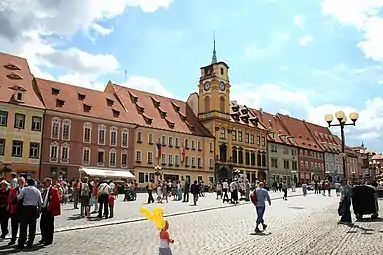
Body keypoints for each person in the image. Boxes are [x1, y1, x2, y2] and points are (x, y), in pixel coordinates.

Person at [17, 179, 42, 249]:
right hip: (34, 209)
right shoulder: (37, 191)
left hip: (25, 209)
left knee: (23, 227)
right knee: (32, 228)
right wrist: (39, 212)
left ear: (27, 183)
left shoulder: (24, 189)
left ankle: (21, 243)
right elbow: (40, 203)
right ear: (34, 183)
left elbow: (19, 198)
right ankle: (30, 242)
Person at [39, 178, 61, 246]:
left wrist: (50, 206)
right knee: (42, 224)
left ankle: (49, 240)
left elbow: (57, 201)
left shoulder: (54, 190)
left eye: (45, 182)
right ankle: (43, 238)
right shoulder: (45, 190)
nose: (44, 184)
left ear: (49, 182)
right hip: (44, 209)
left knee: (49, 225)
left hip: (50, 210)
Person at [7, 177, 25, 245]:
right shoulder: (14, 190)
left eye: (23, 182)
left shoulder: (26, 190)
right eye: (20, 182)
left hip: (23, 211)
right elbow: (9, 199)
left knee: (23, 227)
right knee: (14, 226)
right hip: (15, 211)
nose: (22, 183)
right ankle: (13, 239)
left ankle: (22, 240)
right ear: (18, 183)